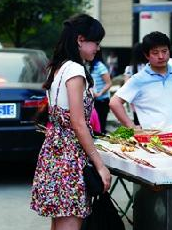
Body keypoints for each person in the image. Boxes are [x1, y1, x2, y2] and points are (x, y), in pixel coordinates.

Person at [30, 14, 111, 230]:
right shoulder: (75, 70)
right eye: (96, 42)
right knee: (69, 221)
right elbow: (78, 123)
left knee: (59, 222)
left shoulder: (59, 67)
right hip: (69, 157)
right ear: (80, 39)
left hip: (54, 151)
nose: (98, 48)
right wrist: (100, 165)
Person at [109, 31, 172, 132]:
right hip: (151, 141)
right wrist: (131, 126)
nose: (161, 56)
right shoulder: (138, 79)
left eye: (164, 51)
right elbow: (114, 103)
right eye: (155, 53)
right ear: (146, 55)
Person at [124, 42, 148, 126]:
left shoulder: (130, 68)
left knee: (138, 122)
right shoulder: (148, 66)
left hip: (135, 99)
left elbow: (126, 84)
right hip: (148, 98)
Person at [89, 49, 112, 134]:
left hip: (102, 101)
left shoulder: (100, 66)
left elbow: (109, 83)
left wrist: (99, 93)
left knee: (100, 127)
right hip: (92, 100)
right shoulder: (88, 66)